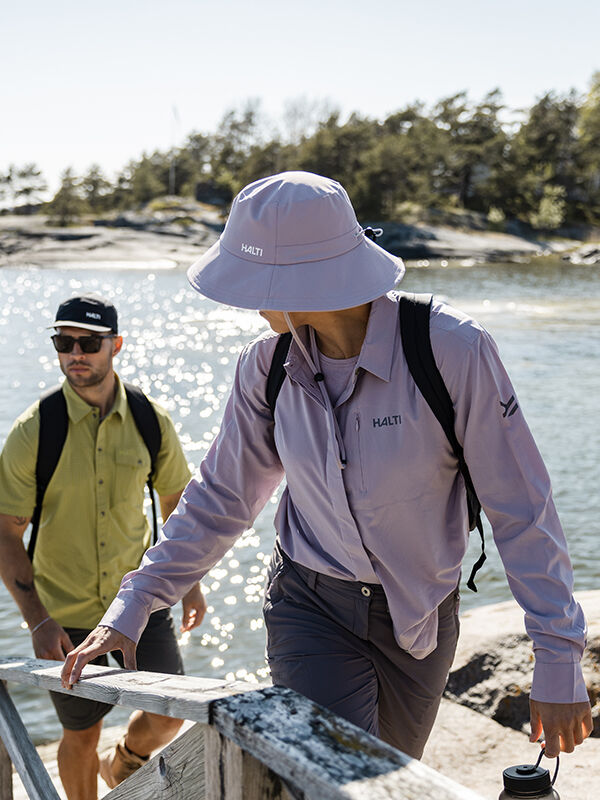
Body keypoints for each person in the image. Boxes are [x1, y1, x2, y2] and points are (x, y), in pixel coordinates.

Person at [61, 173, 592, 762]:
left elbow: (521, 508)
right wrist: (135, 603)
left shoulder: (453, 350)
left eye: (253, 280)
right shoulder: (264, 366)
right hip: (308, 604)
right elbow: (221, 497)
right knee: (334, 776)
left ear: (299, 282)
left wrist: (558, 657)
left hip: (421, 617)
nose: (244, 299)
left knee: (388, 777)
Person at [0, 295, 207, 800]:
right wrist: (38, 620)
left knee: (167, 713)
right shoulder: (35, 430)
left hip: (140, 599)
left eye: (88, 343)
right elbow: (5, 530)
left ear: (115, 345)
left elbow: (178, 502)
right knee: (81, 733)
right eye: (64, 342)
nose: (76, 353)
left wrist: (191, 584)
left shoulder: (149, 419)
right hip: (63, 612)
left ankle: (125, 764)